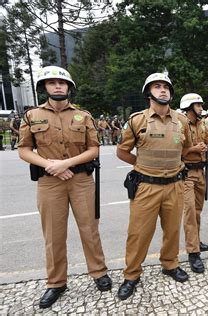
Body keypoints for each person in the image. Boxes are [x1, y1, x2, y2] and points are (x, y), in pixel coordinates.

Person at [17, 66, 111, 308]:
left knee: (90, 229)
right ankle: (56, 282)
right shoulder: (32, 116)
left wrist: (67, 163)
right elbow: (24, 150)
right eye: (52, 82)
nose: (58, 86)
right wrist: (51, 165)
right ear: (44, 87)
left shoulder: (84, 116)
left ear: (69, 88)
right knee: (53, 234)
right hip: (49, 182)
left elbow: (93, 149)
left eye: (62, 82)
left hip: (80, 180)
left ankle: (99, 272)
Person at [116, 72, 193, 300]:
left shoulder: (182, 121)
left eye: (166, 87)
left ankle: (170, 264)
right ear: (148, 93)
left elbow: (185, 150)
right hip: (146, 186)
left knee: (172, 231)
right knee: (138, 234)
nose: (163, 90)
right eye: (157, 86)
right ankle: (131, 275)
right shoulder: (137, 120)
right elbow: (122, 151)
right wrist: (141, 165)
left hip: (175, 185)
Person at [179, 93, 208, 274]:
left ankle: (196, 240)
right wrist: (193, 149)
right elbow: (176, 151)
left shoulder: (202, 124)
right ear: (190, 107)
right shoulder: (180, 124)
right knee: (189, 212)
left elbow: (207, 142)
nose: (201, 108)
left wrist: (206, 146)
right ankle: (193, 253)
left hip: (200, 172)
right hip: (187, 173)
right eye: (198, 105)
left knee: (197, 210)